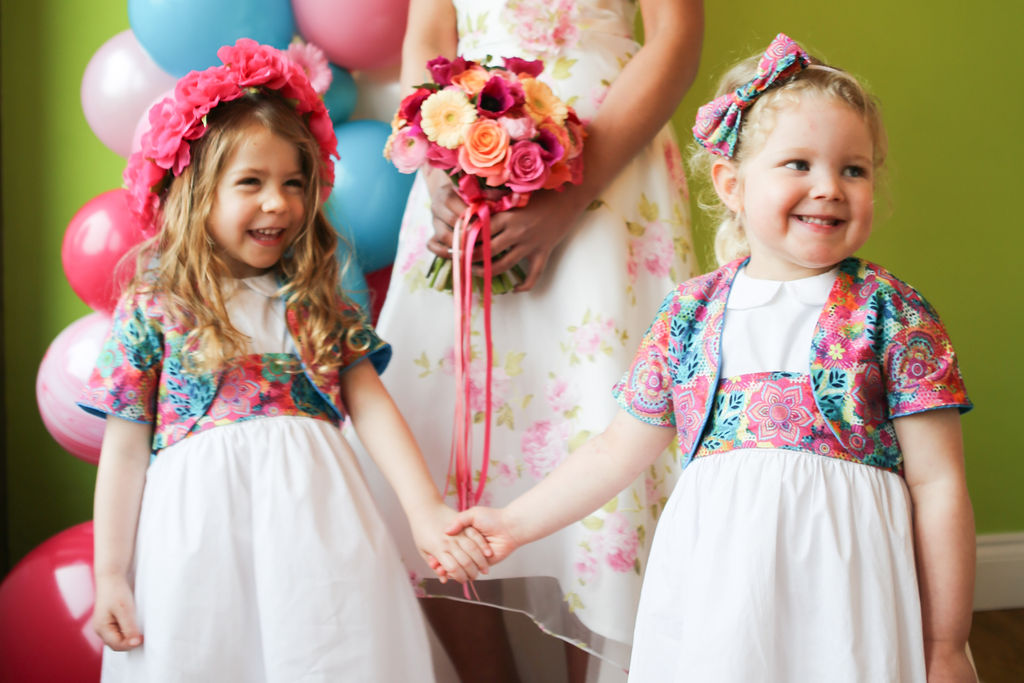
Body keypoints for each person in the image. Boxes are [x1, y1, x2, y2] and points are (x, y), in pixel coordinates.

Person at [449, 33, 978, 682]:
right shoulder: (689, 315)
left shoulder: (892, 312)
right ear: (731, 183)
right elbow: (616, 450)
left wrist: (946, 640)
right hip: (720, 593)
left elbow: (939, 483)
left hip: (848, 594)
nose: (830, 187)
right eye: (799, 165)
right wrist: (513, 520)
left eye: (854, 168)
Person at [79, 39, 490, 682]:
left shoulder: (314, 302)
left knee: (330, 652)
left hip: (318, 524)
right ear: (196, 193)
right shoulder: (156, 307)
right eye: (252, 182)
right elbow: (126, 449)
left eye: (294, 183)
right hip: (198, 539)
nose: (279, 202)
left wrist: (424, 510)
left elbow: (372, 408)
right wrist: (111, 574)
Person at [357, 0, 704, 680]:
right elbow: (427, 37)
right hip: (462, 167)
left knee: (600, 419)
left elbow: (678, 37)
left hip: (609, 166)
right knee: (443, 445)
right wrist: (438, 171)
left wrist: (570, 197)